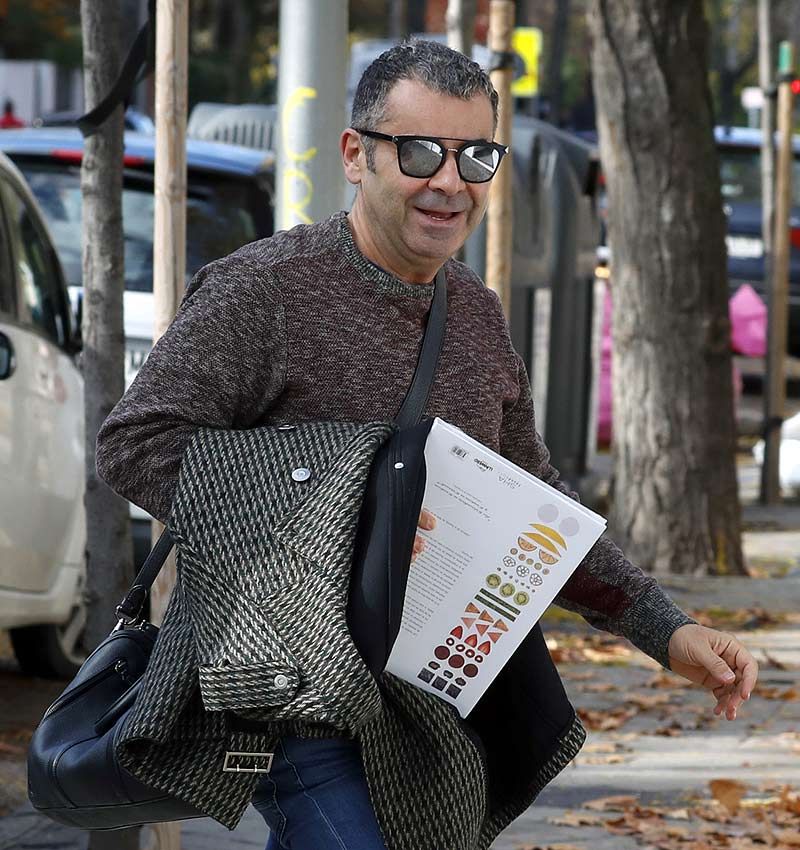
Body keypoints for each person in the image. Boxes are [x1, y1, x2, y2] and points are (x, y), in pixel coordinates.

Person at [95, 40, 758, 850]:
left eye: (474, 155)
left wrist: (667, 630)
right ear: (356, 155)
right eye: (418, 152)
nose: (449, 181)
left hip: (427, 705)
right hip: (289, 691)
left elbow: (539, 509)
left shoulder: (475, 315)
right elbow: (136, 444)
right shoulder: (264, 290)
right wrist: (347, 500)